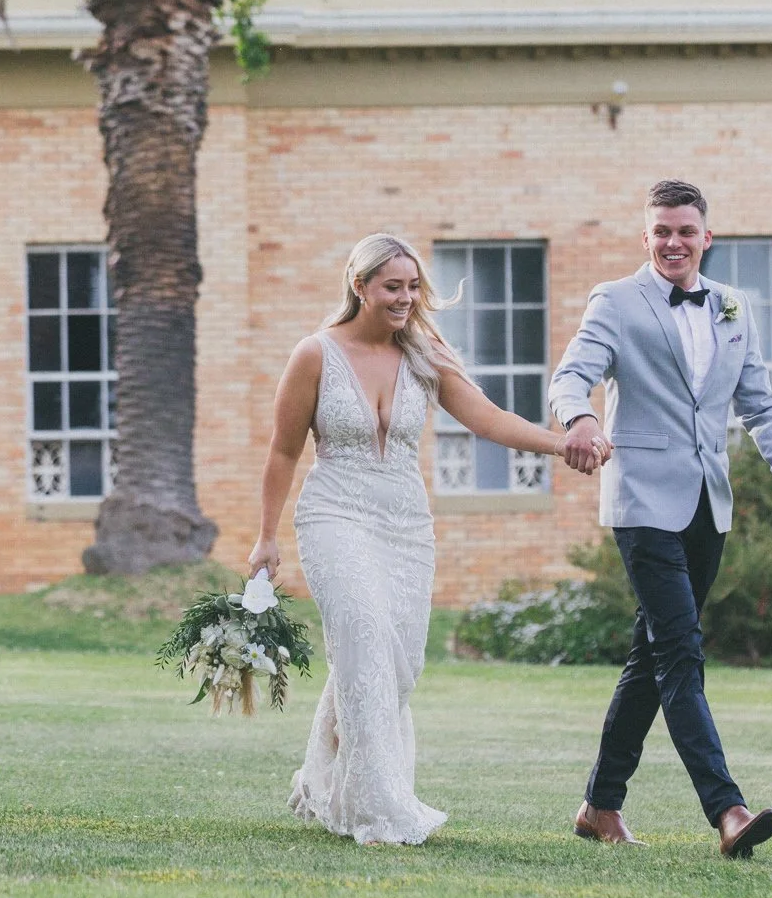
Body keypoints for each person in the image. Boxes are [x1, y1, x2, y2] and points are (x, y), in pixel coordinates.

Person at [247, 233, 587, 845]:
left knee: (394, 662)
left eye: (412, 288)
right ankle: (378, 808)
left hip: (406, 526)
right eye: (392, 288)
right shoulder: (315, 355)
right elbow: (282, 450)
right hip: (335, 517)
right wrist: (265, 538)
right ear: (360, 287)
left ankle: (320, 777)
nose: (406, 299)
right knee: (365, 635)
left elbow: (487, 418)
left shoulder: (425, 353)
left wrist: (559, 443)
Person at [551, 179, 772, 858]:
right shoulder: (616, 300)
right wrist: (579, 417)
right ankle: (728, 810)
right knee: (680, 650)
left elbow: (760, 398)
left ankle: (600, 805)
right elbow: (570, 376)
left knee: (652, 656)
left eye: (685, 231)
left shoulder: (733, 305)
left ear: (706, 237)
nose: (673, 242)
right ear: (647, 237)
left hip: (708, 504)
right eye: (661, 231)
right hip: (641, 500)